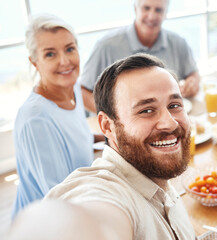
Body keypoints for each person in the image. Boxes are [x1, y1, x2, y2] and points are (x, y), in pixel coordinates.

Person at [9, 54, 195, 239]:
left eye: (174, 105)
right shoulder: (106, 193)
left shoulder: (155, 173)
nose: (170, 123)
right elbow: (94, 219)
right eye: (146, 110)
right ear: (107, 126)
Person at [12, 14, 104, 219]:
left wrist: (106, 138)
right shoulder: (36, 119)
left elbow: (72, 138)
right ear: (35, 62)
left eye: (70, 49)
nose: (65, 62)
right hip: (46, 224)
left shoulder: (73, 90)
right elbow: (59, 198)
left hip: (81, 200)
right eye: (50, 54)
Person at [80, 0, 200, 113]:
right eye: (146, 8)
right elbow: (83, 91)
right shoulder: (106, 46)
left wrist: (192, 82)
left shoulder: (179, 43)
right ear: (135, 9)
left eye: (158, 10)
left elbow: (193, 73)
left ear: (166, 13)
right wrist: (113, 117)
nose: (152, 16)